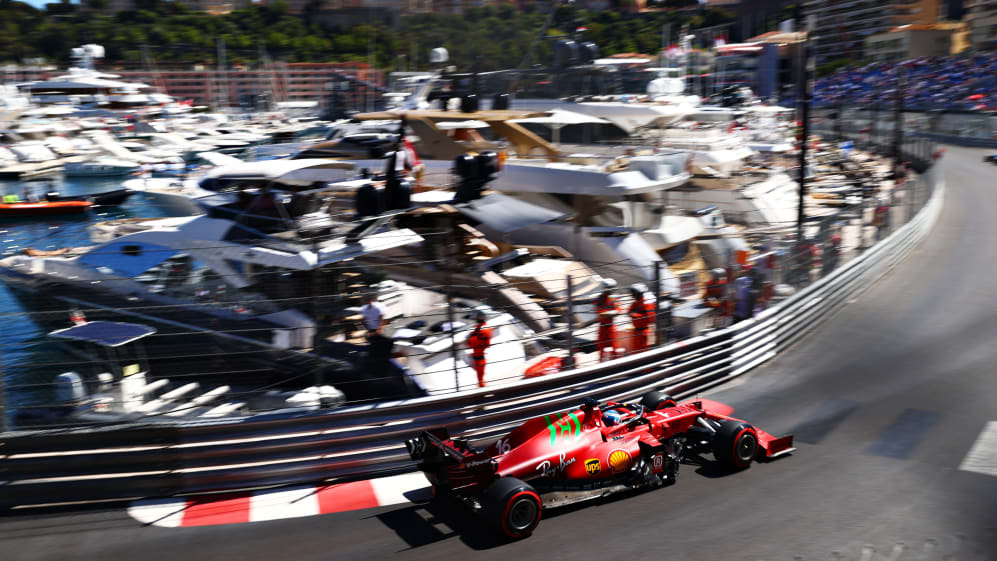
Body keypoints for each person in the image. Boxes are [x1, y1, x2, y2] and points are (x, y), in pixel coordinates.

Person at [594, 278, 620, 361]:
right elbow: (598, 311)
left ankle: (616, 363)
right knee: (601, 347)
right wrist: (610, 313)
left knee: (614, 346)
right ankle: (601, 362)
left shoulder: (613, 298)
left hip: (611, 326)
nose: (610, 291)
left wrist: (609, 313)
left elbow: (619, 310)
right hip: (602, 327)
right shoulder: (599, 298)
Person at [467, 309, 492, 388]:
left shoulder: (483, 330)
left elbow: (471, 343)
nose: (475, 321)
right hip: (478, 356)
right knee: (480, 376)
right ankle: (482, 386)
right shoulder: (482, 327)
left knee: (480, 378)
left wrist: (471, 336)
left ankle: (482, 389)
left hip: (479, 357)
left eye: (476, 319)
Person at [628, 283, 653, 353]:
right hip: (636, 332)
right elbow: (629, 312)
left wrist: (635, 315)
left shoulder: (647, 304)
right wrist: (635, 314)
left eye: (633, 293)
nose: (632, 295)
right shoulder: (634, 304)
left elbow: (650, 318)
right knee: (636, 351)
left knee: (646, 352)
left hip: (646, 332)